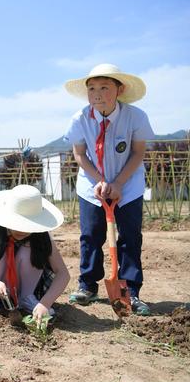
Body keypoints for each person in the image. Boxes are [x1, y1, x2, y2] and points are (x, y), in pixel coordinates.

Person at [64, 64, 154, 316]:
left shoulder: (135, 117)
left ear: (119, 89)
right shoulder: (80, 119)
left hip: (129, 184)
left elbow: (138, 152)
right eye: (92, 88)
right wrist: (100, 180)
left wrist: (118, 183)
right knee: (91, 235)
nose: (97, 94)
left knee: (130, 237)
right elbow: (79, 154)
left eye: (105, 87)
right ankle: (88, 285)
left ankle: (131, 290)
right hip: (92, 184)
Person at [0, 185, 70, 322]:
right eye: (18, 223)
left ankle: (27, 298)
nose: (23, 230)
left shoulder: (42, 235)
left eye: (28, 225)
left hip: (28, 281)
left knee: (31, 249)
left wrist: (45, 303)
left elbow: (63, 273)